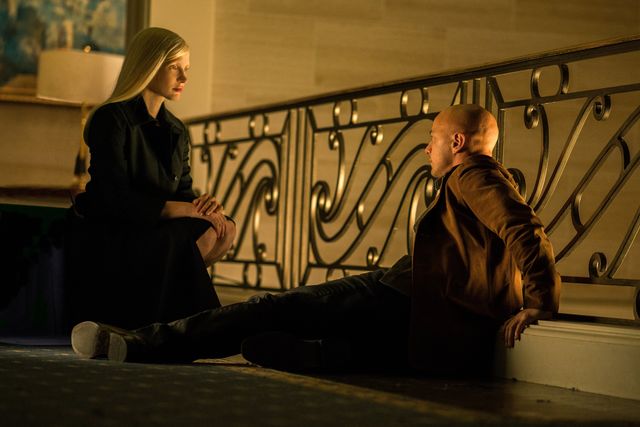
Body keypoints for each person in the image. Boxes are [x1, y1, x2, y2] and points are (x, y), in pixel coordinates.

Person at [70, 104, 560, 375]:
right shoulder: (484, 179)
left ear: (456, 142)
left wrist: (542, 301)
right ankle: (314, 356)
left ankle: (141, 342)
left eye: (433, 138)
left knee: (271, 306)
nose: (427, 146)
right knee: (318, 333)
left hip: (403, 294)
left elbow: (525, 228)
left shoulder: (474, 175)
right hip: (419, 313)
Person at [65, 28, 236, 330]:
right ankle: (193, 326)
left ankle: (174, 323)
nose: (184, 77)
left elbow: (183, 191)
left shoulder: (177, 129)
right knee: (174, 239)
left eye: (187, 68)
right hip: (116, 222)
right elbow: (114, 196)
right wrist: (184, 209)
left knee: (223, 228)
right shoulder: (112, 118)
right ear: (149, 66)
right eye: (174, 67)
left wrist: (204, 206)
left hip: (157, 221)